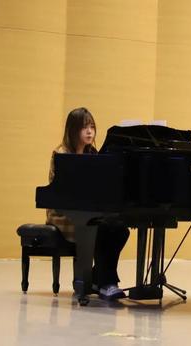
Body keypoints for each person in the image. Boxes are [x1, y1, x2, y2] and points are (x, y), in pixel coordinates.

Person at [46, 107, 130, 300]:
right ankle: (106, 283)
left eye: (92, 127)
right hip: (64, 214)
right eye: (85, 127)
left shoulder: (93, 154)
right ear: (73, 129)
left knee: (120, 230)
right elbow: (60, 190)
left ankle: (97, 278)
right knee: (101, 230)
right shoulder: (61, 154)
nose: (90, 132)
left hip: (89, 211)